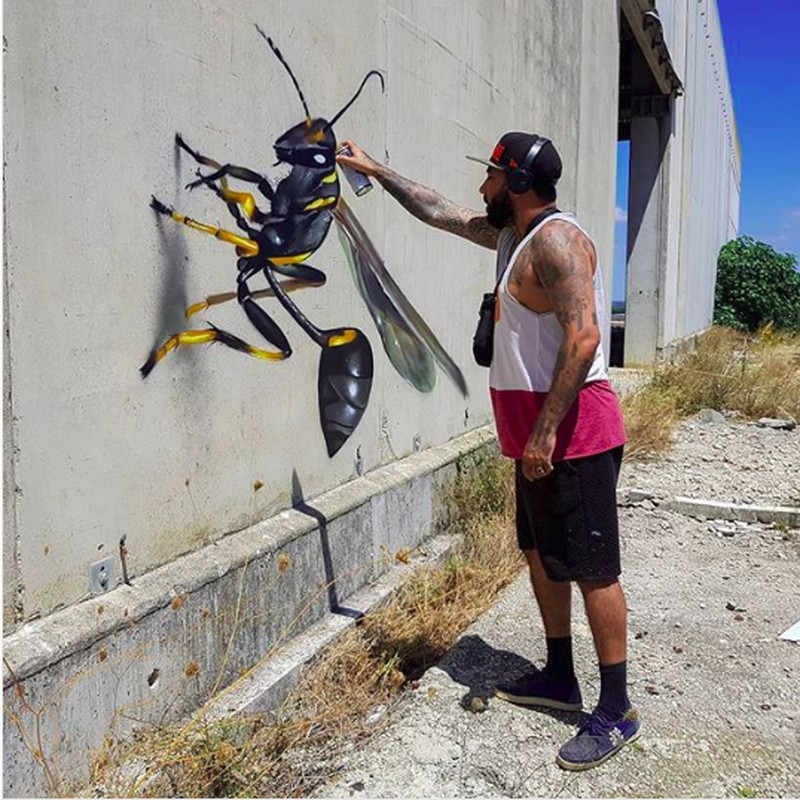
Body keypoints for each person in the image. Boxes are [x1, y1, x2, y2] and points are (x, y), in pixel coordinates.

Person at [337, 132, 640, 771]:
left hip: (574, 436)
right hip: (533, 436)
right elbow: (438, 210)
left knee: (594, 569)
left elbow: (584, 339)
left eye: (493, 177)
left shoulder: (558, 242)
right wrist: (373, 169)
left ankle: (616, 710)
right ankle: (560, 676)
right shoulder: (511, 237)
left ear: (520, 184)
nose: (483, 187)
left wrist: (546, 432)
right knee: (539, 554)